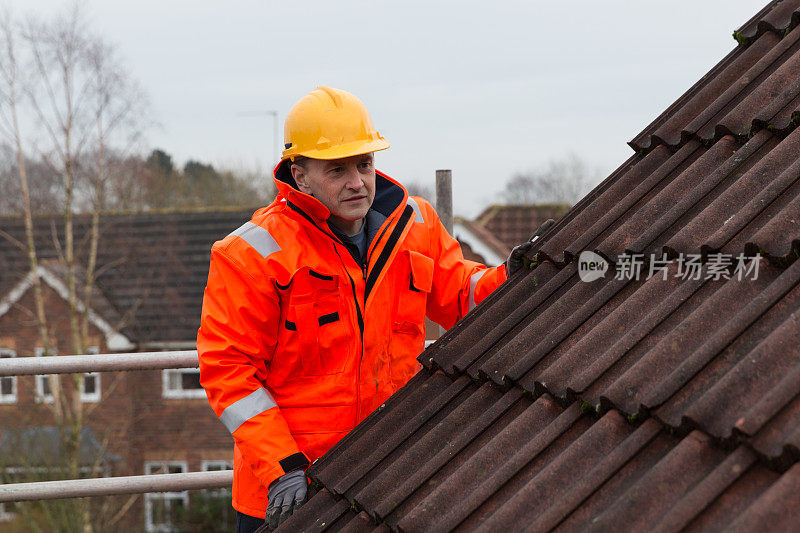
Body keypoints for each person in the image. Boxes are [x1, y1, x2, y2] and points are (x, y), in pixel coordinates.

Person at [197, 86, 532, 532]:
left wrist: (516, 274)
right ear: (299, 175)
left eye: (365, 163)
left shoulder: (414, 224)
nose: (357, 181)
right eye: (337, 169)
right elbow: (229, 371)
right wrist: (283, 467)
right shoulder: (251, 253)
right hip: (292, 490)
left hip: (388, 476)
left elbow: (463, 294)